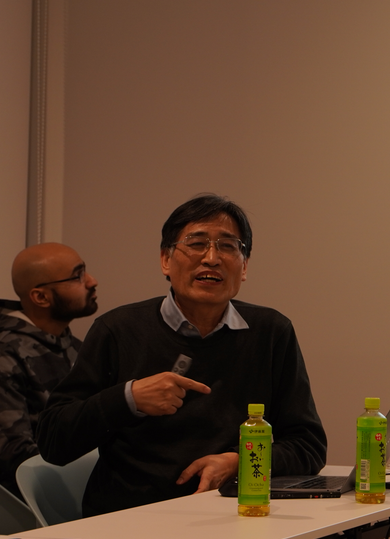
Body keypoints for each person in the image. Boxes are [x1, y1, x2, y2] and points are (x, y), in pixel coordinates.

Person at [37, 195, 327, 516]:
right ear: (165, 259)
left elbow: (308, 445)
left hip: (234, 515)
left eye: (228, 246)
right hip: (133, 517)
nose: (212, 258)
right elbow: (53, 441)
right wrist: (128, 399)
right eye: (196, 244)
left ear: (244, 266)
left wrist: (240, 460)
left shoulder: (271, 331)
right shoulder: (117, 329)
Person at [0, 243, 98, 499]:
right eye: (77, 276)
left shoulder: (77, 347)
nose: (92, 281)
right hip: (35, 505)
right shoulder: (3, 353)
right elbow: (13, 455)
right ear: (41, 297)